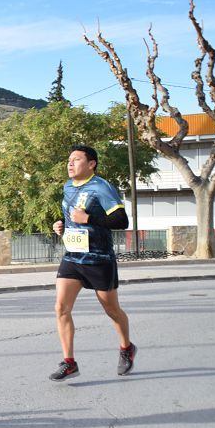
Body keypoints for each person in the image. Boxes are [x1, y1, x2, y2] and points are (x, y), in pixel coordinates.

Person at [50, 144, 136, 380]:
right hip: (73, 257)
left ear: (91, 164)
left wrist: (88, 217)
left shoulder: (102, 186)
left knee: (111, 310)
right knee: (61, 308)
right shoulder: (68, 186)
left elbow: (121, 220)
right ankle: (69, 362)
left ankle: (127, 348)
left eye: (76, 159)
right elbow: (71, 217)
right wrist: (61, 224)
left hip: (99, 258)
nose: (70, 163)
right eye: (69, 159)